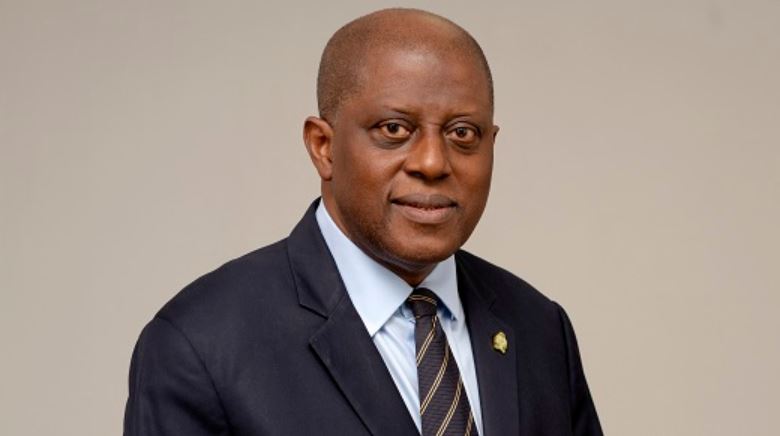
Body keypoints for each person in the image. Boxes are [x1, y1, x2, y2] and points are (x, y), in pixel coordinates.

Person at [124, 8, 603, 436]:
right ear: (323, 147)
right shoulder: (201, 345)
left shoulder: (539, 328)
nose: (433, 162)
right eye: (394, 129)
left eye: (462, 133)